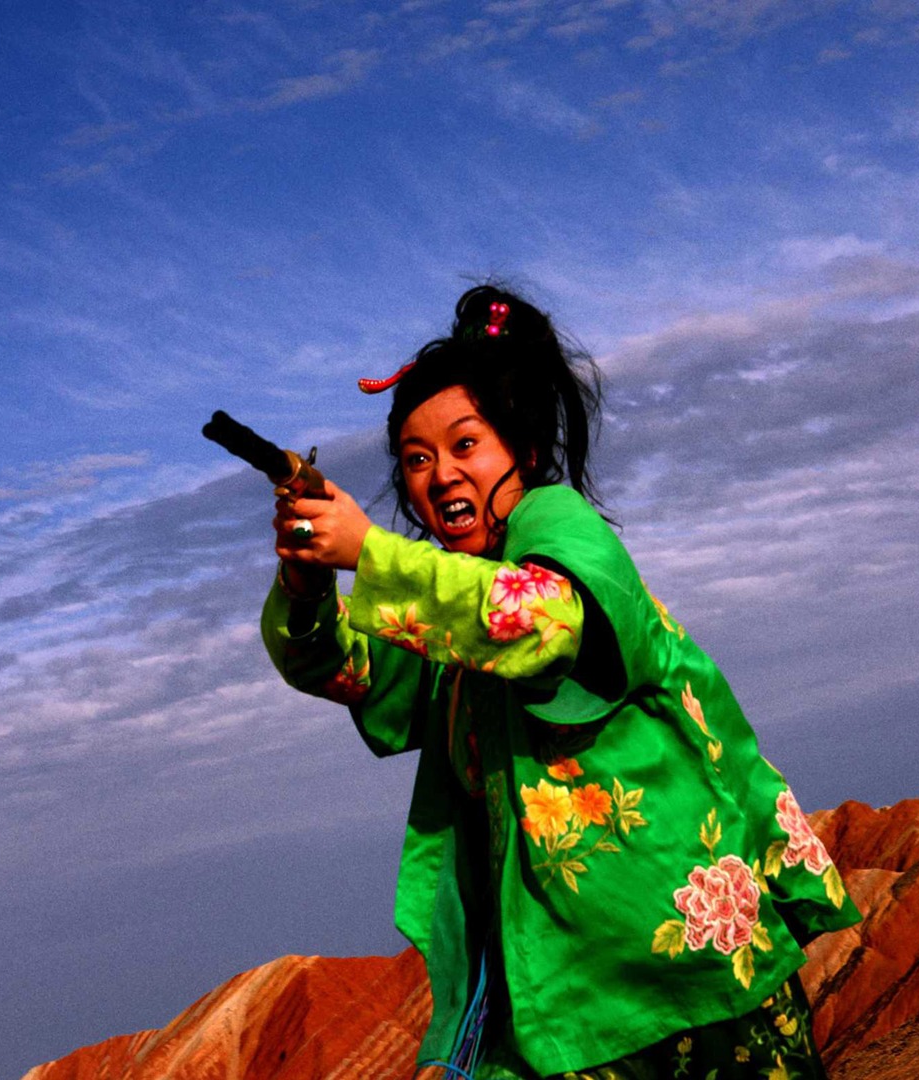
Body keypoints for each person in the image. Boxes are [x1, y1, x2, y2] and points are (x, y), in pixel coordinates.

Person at [259, 285, 860, 1080]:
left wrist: (370, 554)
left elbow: (539, 623)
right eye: (415, 459)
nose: (439, 476)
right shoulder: (443, 599)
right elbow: (348, 669)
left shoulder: (556, 523)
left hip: (683, 983)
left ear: (526, 451)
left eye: (465, 445)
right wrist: (306, 585)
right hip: (555, 1000)